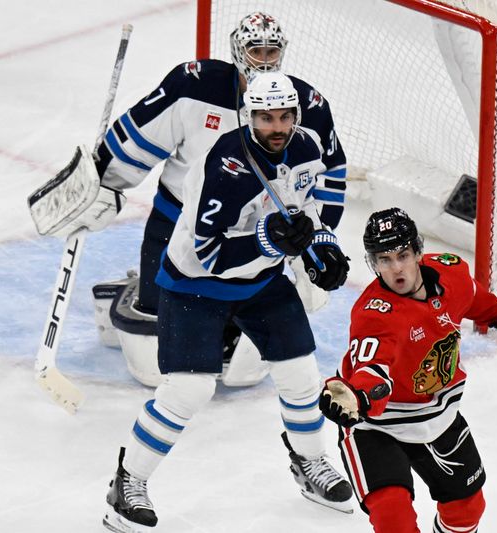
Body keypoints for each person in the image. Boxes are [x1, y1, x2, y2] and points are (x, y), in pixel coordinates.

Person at [102, 71, 352, 533]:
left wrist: (322, 247)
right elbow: (210, 254)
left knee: (301, 375)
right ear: (248, 116)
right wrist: (269, 241)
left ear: (296, 115)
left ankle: (311, 463)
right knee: (188, 391)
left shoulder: (306, 148)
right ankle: (127, 483)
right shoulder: (223, 166)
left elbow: (307, 208)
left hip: (261, 282)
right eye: (265, 118)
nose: (276, 127)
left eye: (284, 116)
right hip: (195, 286)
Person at [91, 11, 347, 387]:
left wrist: (311, 244)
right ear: (236, 49)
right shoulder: (194, 85)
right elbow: (141, 136)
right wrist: (102, 179)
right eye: (254, 49)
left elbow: (327, 177)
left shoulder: (305, 105)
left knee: (243, 333)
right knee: (154, 340)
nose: (263, 58)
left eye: (270, 50)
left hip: (259, 234)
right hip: (176, 222)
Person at [318, 208, 497, 533]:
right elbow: (372, 369)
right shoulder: (374, 314)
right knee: (393, 519)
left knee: (467, 510)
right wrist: (358, 396)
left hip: (438, 416)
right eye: (384, 259)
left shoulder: (450, 272)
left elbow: (474, 299)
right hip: (378, 427)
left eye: (402, 255)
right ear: (373, 263)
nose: (396, 268)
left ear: (418, 251)